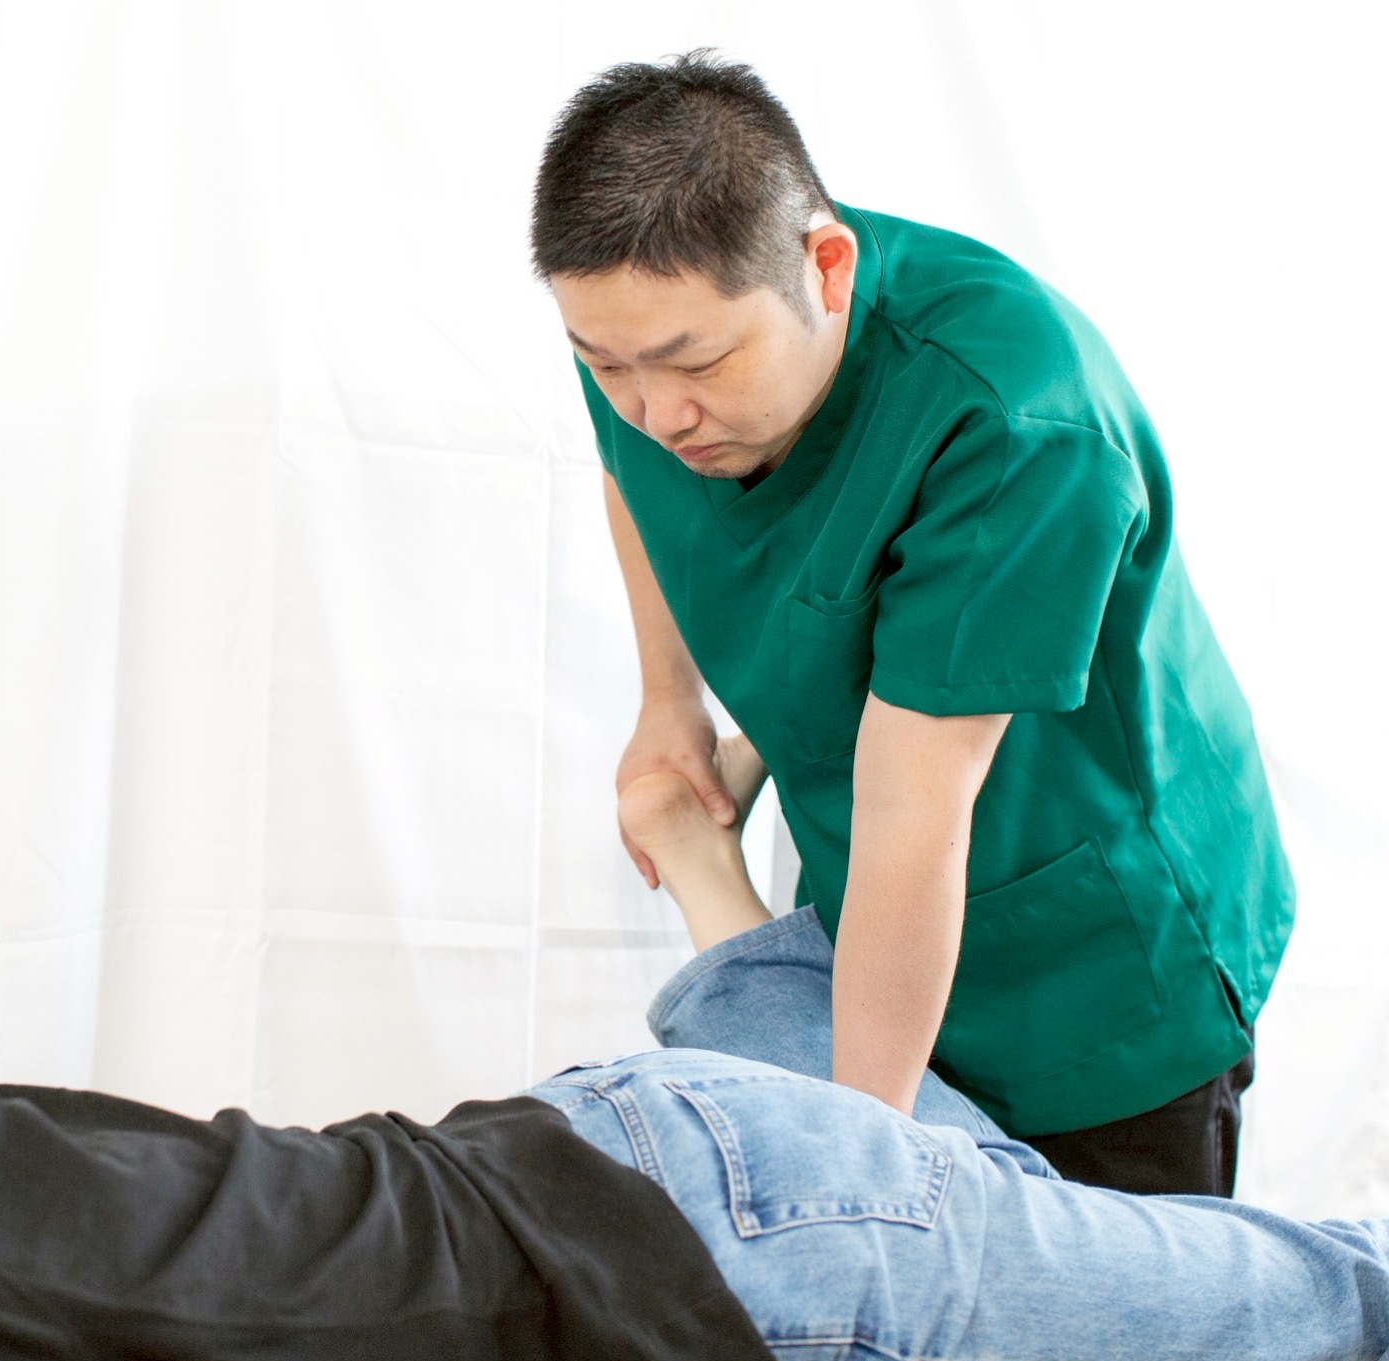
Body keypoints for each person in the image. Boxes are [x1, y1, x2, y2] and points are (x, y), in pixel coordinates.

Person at [0, 763, 1385, 1361]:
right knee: (939, 1179)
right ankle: (724, 919)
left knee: (1326, 1307)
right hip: (634, 1155)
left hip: (754, 1254)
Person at [530, 50, 1292, 1195]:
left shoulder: (1012, 419)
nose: (655, 413)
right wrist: (665, 700)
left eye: (695, 367)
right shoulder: (653, 330)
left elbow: (910, 806)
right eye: (604, 367)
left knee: (1059, 1271)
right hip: (877, 899)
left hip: (1094, 953)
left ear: (825, 267)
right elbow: (624, 468)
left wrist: (863, 1180)